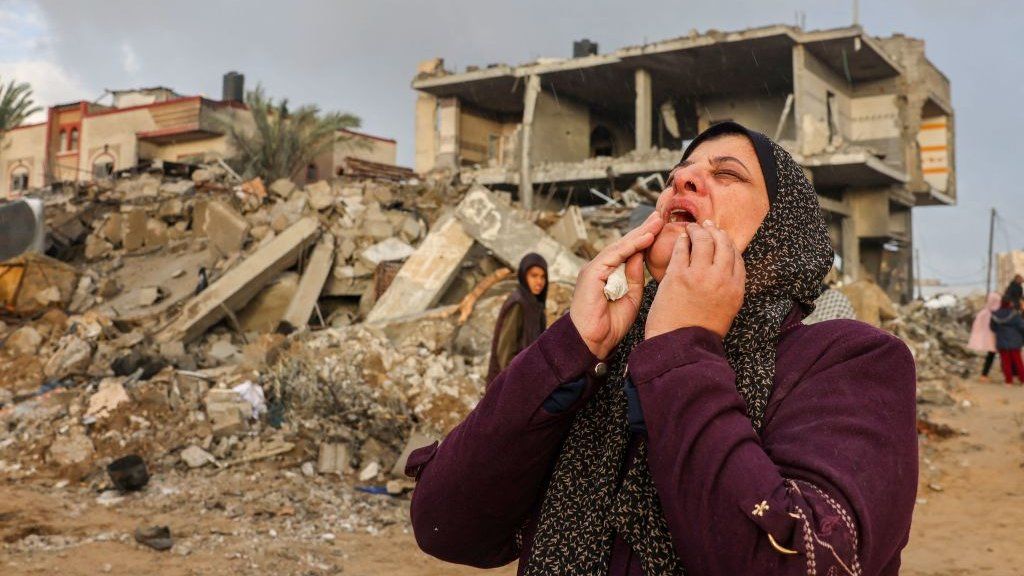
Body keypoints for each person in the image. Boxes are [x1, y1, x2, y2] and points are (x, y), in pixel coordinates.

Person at [407, 122, 917, 575]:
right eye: (679, 174)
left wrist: (681, 348)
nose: (682, 181)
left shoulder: (853, 362)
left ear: (781, 231)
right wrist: (572, 348)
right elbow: (445, 526)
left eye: (728, 174)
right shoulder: (606, 365)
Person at [485, 253, 548, 384]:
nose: (539, 282)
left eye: (543, 277)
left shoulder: (535, 305)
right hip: (509, 383)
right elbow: (505, 352)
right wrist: (515, 383)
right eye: (534, 276)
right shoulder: (518, 304)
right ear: (524, 276)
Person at [967, 292, 1001, 382]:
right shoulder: (996, 314)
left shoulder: (983, 313)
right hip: (997, 338)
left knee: (991, 356)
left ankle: (984, 375)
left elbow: (976, 327)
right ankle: (1011, 376)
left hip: (988, 339)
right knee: (1005, 356)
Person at [989, 298, 1024, 384]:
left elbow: (992, 328)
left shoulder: (995, 315)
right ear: (1010, 304)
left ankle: (1009, 381)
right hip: (1015, 341)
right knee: (1018, 361)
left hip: (1001, 341)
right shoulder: (1015, 314)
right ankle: (1022, 379)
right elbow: (1022, 327)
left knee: (1005, 361)